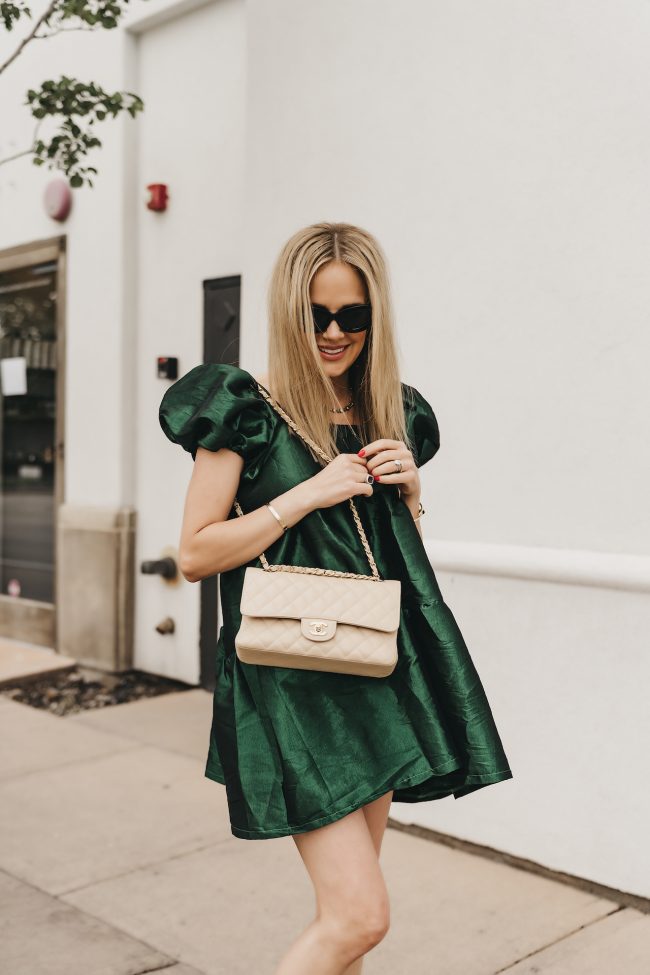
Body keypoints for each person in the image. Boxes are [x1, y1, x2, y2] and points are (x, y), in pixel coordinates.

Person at [159, 221, 513, 975]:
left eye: (351, 315)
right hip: (290, 682)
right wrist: (305, 496)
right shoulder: (244, 411)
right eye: (316, 313)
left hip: (371, 668)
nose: (332, 331)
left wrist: (412, 491)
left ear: (373, 317)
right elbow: (194, 552)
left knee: (343, 921)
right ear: (290, 311)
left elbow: (386, 553)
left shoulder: (394, 411)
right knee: (361, 915)